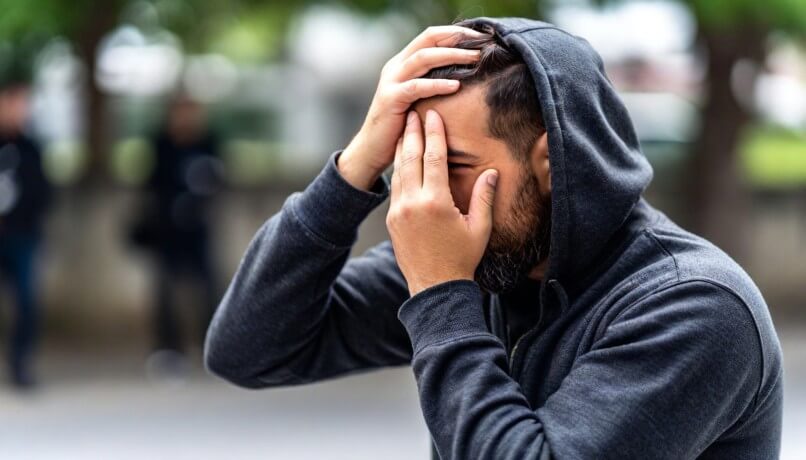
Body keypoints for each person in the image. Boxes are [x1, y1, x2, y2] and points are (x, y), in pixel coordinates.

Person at [204, 19, 783, 459]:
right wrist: (354, 167)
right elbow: (249, 349)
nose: (420, 196)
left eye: (448, 163)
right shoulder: (489, 260)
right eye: (409, 159)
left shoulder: (696, 307)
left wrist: (439, 294)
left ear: (552, 161)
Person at [140, 95, 221, 370]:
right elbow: (151, 185)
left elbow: (218, 180)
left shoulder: (207, 142)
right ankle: (168, 348)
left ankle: (213, 345)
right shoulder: (162, 145)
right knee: (165, 292)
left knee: (209, 287)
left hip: (197, 231)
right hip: (167, 233)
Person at [0, 79, 52, 389]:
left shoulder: (31, 148)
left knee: (27, 301)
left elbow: (43, 194)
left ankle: (20, 363)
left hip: (22, 236)